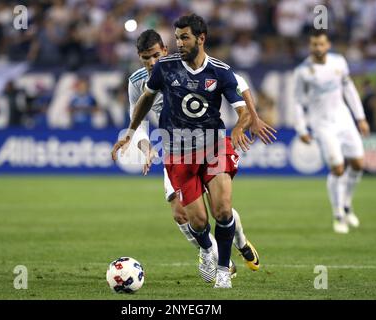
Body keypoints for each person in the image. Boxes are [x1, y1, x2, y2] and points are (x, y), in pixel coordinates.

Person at [113, 15, 275, 288]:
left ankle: (237, 247)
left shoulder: (215, 69)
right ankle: (208, 250)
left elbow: (242, 86)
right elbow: (139, 112)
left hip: (211, 144)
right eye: (145, 58)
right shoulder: (145, 77)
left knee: (222, 208)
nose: (151, 62)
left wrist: (251, 119)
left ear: (163, 51)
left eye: (155, 55)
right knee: (185, 215)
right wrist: (138, 141)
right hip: (175, 148)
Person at [293, 29, 370, 234]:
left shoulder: (339, 62)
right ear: (310, 46)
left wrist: (360, 117)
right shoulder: (302, 72)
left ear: (328, 45)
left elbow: (349, 89)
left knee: (358, 164)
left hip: (344, 120)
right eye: (314, 44)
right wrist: (301, 127)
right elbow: (298, 103)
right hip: (322, 124)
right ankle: (338, 214)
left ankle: (346, 204)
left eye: (321, 44)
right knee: (338, 168)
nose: (317, 48)